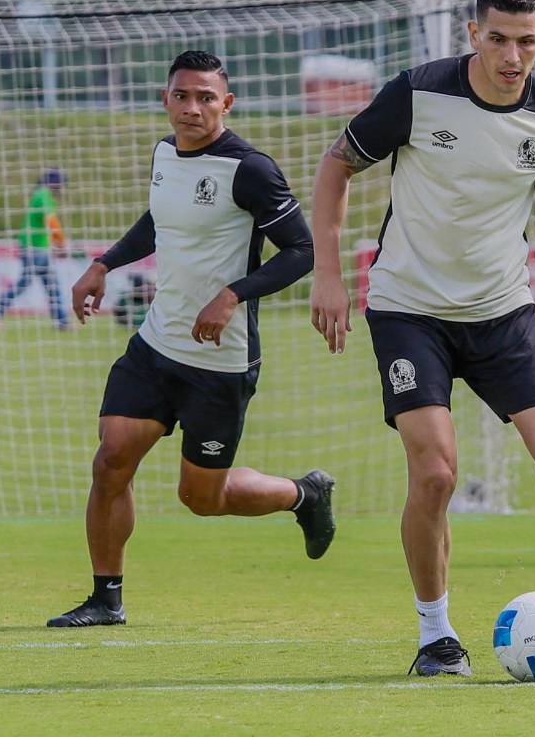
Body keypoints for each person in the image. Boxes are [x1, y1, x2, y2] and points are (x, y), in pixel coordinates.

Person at [309, 0, 535, 677]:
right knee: (435, 473)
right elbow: (336, 167)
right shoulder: (417, 91)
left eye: (527, 42)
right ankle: (436, 637)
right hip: (408, 310)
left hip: (502, 312)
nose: (513, 55)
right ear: (473, 35)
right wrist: (331, 274)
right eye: (498, 39)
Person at [48, 50, 335, 627]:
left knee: (201, 499)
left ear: (226, 104)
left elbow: (303, 252)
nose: (193, 108)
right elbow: (161, 219)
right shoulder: (164, 153)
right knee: (112, 460)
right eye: (182, 96)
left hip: (218, 364)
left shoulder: (250, 169)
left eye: (206, 98)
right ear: (167, 100)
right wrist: (104, 264)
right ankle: (106, 598)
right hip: (156, 346)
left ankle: (303, 495)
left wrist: (232, 295)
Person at [0, 168, 70, 329]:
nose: (63, 189)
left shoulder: (41, 194)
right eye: (61, 185)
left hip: (39, 247)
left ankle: (62, 321)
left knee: (51, 284)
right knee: (28, 284)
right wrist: (61, 242)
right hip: (35, 248)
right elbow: (51, 221)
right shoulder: (43, 195)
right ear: (55, 184)